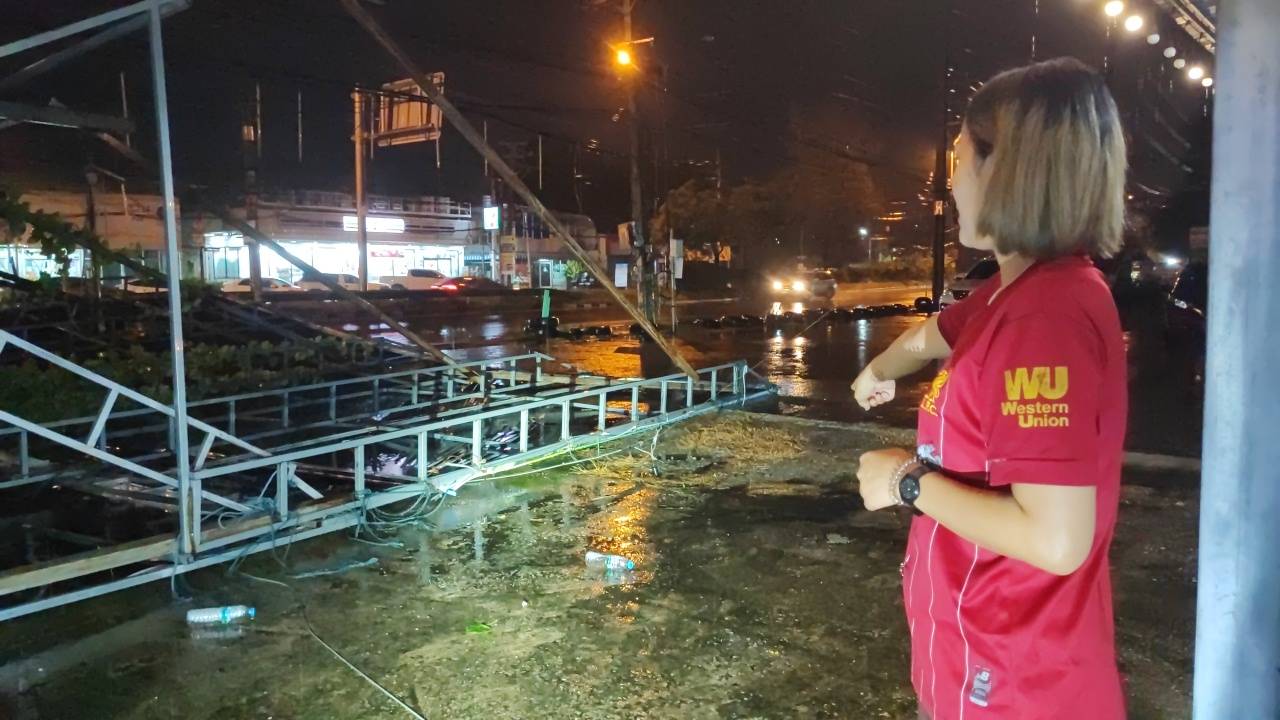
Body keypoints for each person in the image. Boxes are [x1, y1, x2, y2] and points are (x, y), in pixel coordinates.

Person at [850, 57, 1128, 720]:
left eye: (956, 160)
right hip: (979, 663)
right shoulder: (1018, 292)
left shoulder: (1045, 317)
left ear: (1006, 170)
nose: (948, 184)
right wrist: (879, 371)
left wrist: (904, 481)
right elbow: (932, 336)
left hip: (1014, 687)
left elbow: (1058, 540)